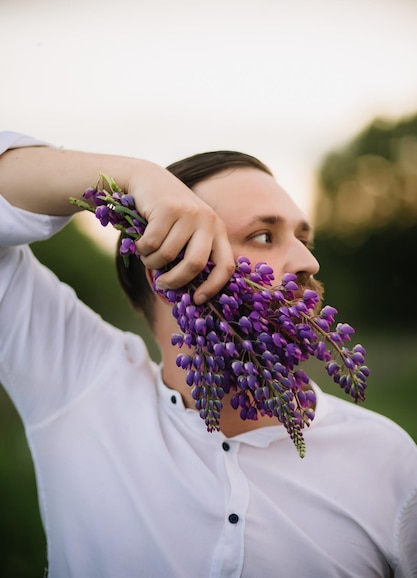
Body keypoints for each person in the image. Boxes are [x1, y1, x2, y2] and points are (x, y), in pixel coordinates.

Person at [0, 131, 416, 577]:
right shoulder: (80, 387)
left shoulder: (388, 461)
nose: (307, 262)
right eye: (262, 235)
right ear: (169, 271)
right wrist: (138, 177)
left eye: (304, 240)